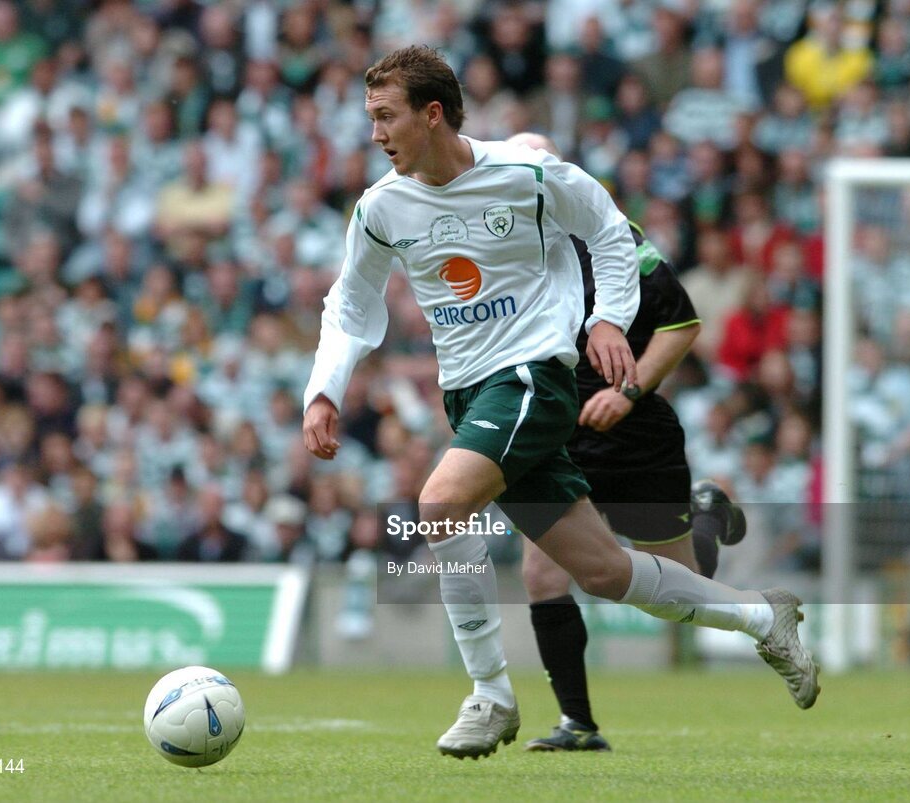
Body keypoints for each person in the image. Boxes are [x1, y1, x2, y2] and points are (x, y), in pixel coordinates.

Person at [302, 46, 819, 761]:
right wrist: (324, 389)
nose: (375, 133)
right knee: (606, 572)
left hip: (531, 379)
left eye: (385, 117)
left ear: (431, 114)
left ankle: (491, 695)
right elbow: (350, 305)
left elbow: (608, 229)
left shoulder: (531, 176)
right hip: (469, 393)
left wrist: (608, 317)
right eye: (370, 118)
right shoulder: (382, 207)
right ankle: (764, 617)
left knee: (440, 503)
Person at [508, 131, 749, 753]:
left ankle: (703, 518)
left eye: (538, 168)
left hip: (634, 435)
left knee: (677, 592)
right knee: (543, 574)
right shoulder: (505, 243)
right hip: (556, 437)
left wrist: (628, 391)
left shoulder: (613, 235)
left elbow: (681, 323)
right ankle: (578, 724)